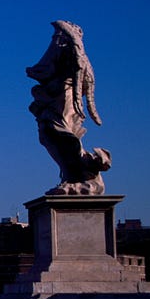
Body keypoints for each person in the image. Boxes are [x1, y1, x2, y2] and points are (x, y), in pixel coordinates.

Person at [26, 20, 110, 195]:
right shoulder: (66, 51)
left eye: (57, 37)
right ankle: (72, 174)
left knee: (60, 132)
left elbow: (86, 81)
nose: (54, 40)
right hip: (57, 96)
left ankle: (81, 173)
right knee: (48, 134)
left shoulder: (75, 52)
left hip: (65, 98)